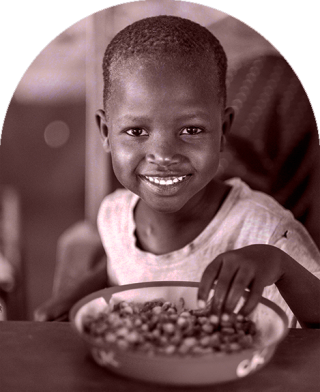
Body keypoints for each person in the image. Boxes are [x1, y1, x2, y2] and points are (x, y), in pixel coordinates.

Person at [34, 15, 320, 328]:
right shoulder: (113, 216)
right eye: (136, 131)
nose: (164, 154)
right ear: (106, 132)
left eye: (191, 129)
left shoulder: (267, 230)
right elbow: (123, 266)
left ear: (223, 130)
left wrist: (281, 266)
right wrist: (75, 296)